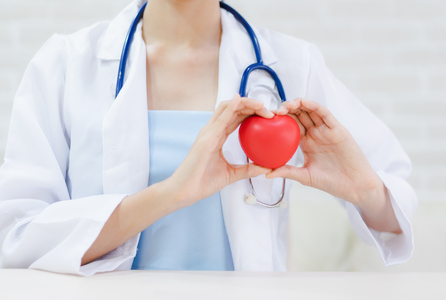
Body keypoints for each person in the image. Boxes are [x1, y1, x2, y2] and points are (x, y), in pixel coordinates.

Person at [0, 0, 417, 276]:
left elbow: (392, 209)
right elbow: (16, 234)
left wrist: (365, 191)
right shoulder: (64, 65)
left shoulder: (291, 64)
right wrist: (171, 194)